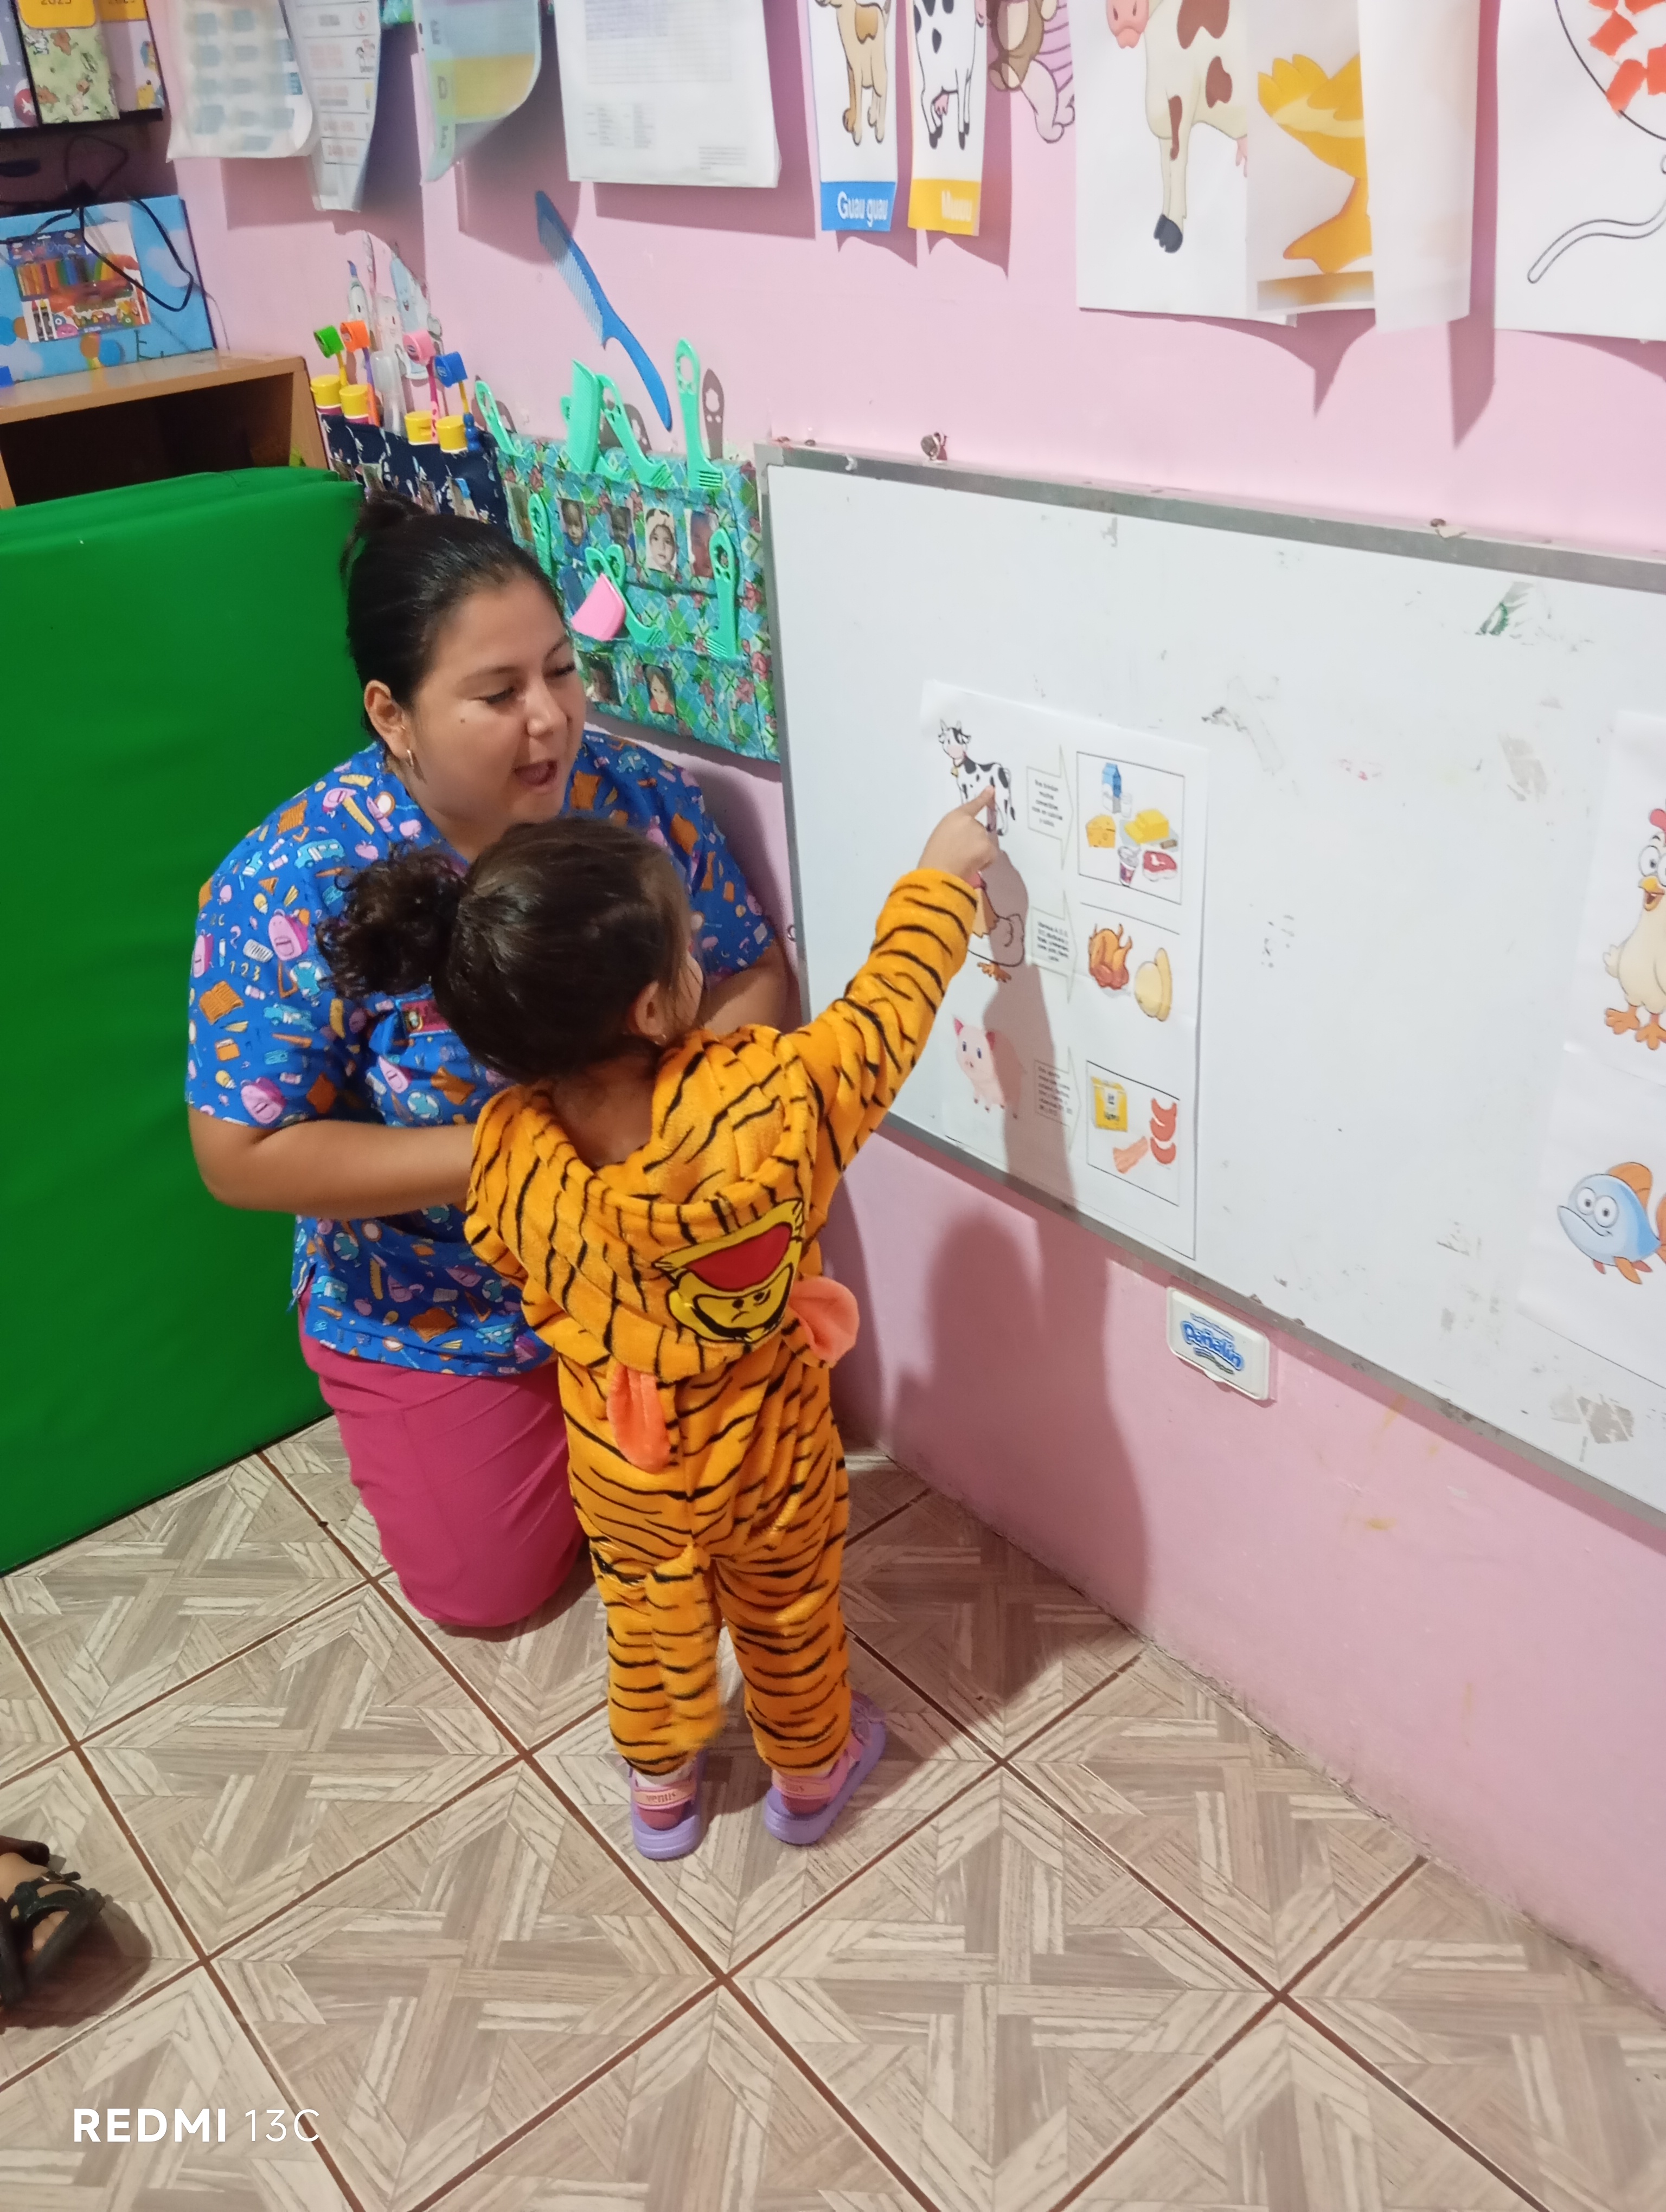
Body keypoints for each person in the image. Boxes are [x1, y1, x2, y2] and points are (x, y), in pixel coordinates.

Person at [322, 789, 995, 1856]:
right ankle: (810, 1779)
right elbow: (882, 1022)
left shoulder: (504, 1150)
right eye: (686, 952)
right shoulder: (773, 1099)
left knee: (647, 1620)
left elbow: (512, 1257)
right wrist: (940, 881)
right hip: (769, 1455)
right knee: (787, 1613)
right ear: (650, 1007)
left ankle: (663, 1793)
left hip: (624, 1462)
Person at [187, 498, 792, 1631]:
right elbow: (242, 1153)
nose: (551, 719)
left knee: (752, 1497)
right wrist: (519, 1153)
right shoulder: (288, 881)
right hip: (437, 1298)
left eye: (561, 671)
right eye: (498, 693)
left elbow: (753, 974)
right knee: (485, 1592)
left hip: (645, 1254)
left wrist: (677, 1133)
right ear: (393, 714)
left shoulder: (636, 800)